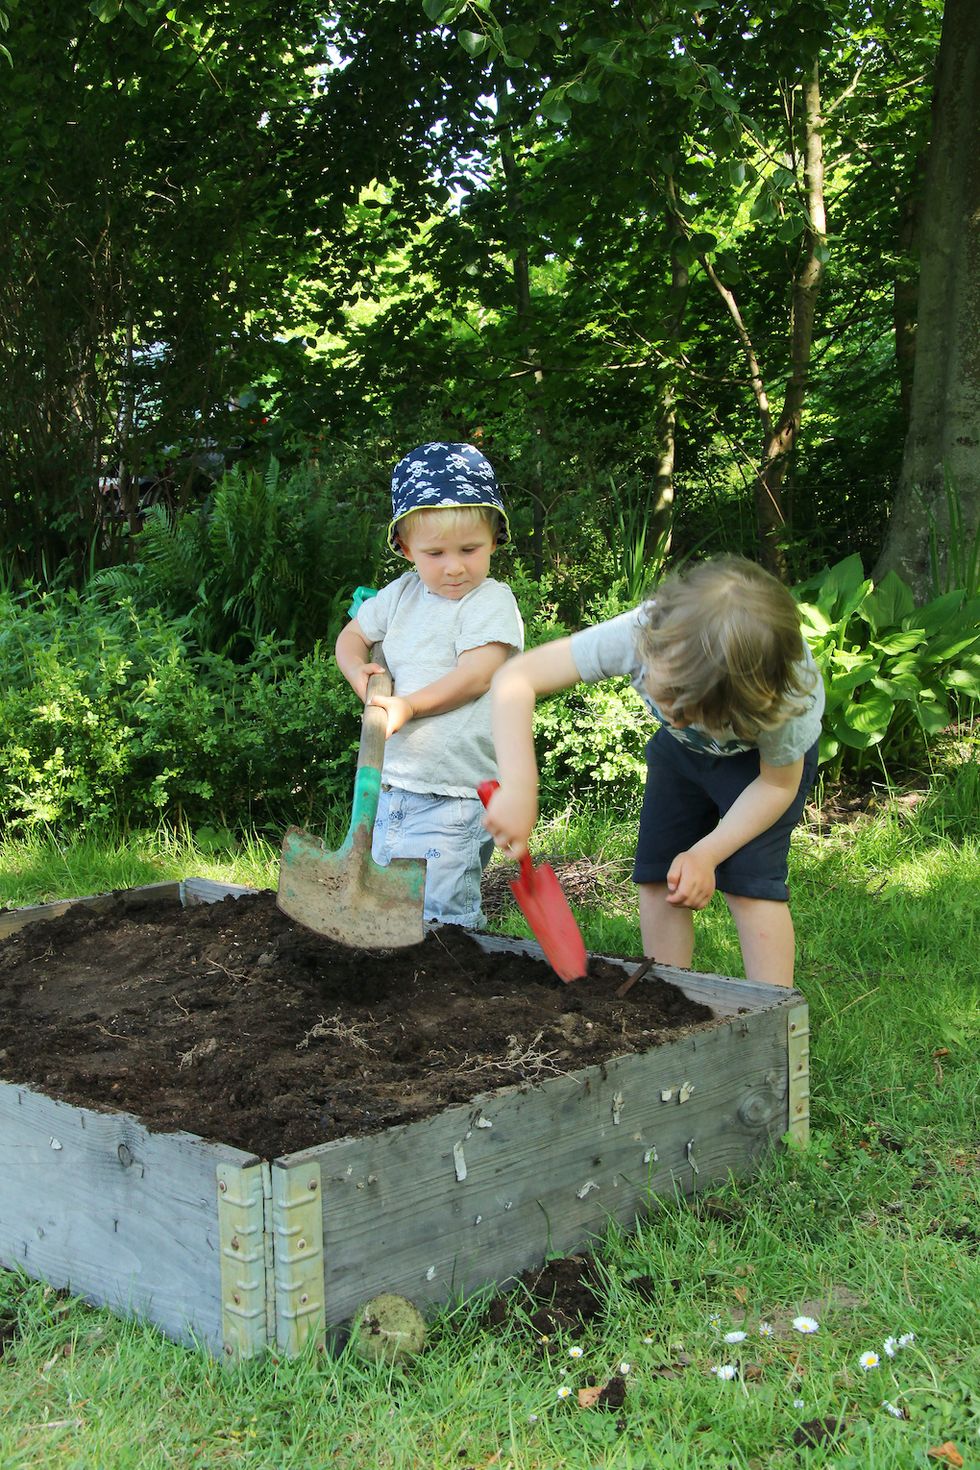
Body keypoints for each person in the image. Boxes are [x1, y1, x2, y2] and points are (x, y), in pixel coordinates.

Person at [482, 556, 825, 987]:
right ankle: (667, 999)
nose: (677, 719)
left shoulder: (788, 698)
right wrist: (518, 786)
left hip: (758, 771)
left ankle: (777, 1021)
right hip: (679, 758)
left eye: (697, 713)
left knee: (751, 883)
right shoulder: (642, 633)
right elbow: (516, 678)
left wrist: (708, 853)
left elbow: (778, 786)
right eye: (668, 700)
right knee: (660, 874)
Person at [335, 442, 524, 928]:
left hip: (454, 795)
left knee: (443, 919)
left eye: (469, 549)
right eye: (435, 553)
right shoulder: (400, 594)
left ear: (496, 540)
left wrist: (408, 707)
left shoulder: (488, 602)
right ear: (404, 548)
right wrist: (360, 674)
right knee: (386, 906)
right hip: (389, 785)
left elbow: (475, 676)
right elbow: (351, 637)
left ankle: (457, 998)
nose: (454, 566)